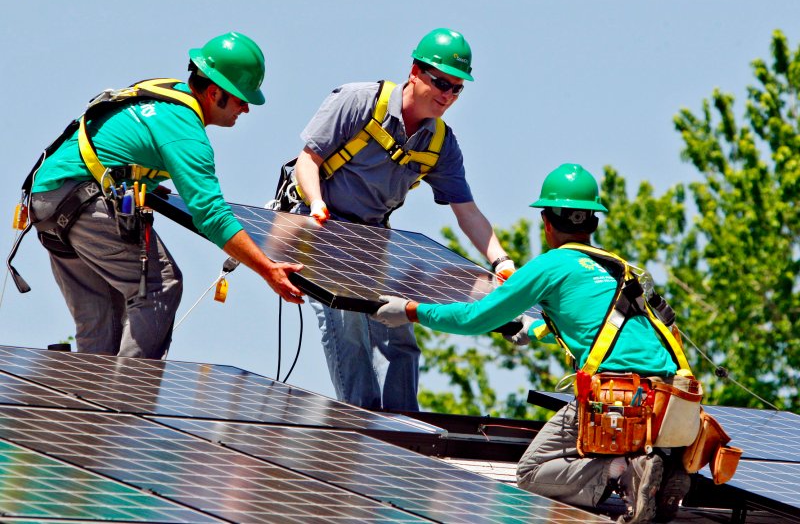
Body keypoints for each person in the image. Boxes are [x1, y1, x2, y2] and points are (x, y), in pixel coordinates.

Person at [372, 163, 695, 523]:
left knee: (530, 472)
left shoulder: (551, 265)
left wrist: (412, 310)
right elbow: (612, 327)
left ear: (547, 223)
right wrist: (534, 328)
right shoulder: (621, 268)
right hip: (669, 399)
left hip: (617, 397)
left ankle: (622, 469)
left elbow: (473, 318)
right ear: (594, 222)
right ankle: (663, 465)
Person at [25, 32, 304, 359]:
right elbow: (210, 214)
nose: (246, 108)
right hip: (82, 200)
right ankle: (128, 399)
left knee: (102, 325)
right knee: (160, 286)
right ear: (215, 92)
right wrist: (268, 269)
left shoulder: (164, 95)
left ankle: (92, 406)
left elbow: (120, 145)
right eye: (242, 98)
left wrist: (142, 182)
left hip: (45, 202)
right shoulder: (186, 131)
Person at [289, 28, 515, 411]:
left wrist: (501, 260)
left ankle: (403, 428)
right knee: (349, 330)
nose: (447, 95)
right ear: (415, 71)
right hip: (321, 229)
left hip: (372, 238)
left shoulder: (441, 144)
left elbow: (467, 211)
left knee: (398, 330)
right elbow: (307, 162)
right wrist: (315, 204)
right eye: (441, 82)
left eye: (457, 89)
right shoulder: (357, 102)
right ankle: (360, 423)